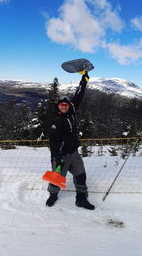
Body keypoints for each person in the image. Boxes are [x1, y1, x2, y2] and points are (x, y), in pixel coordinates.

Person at [46, 71, 95, 210]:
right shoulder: (56, 120)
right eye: (61, 105)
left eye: (65, 105)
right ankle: (53, 195)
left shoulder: (71, 112)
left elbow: (79, 96)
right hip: (61, 155)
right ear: (58, 106)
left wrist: (84, 80)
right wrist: (57, 156)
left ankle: (81, 199)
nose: (64, 106)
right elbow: (53, 141)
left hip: (74, 152)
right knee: (56, 178)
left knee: (81, 176)